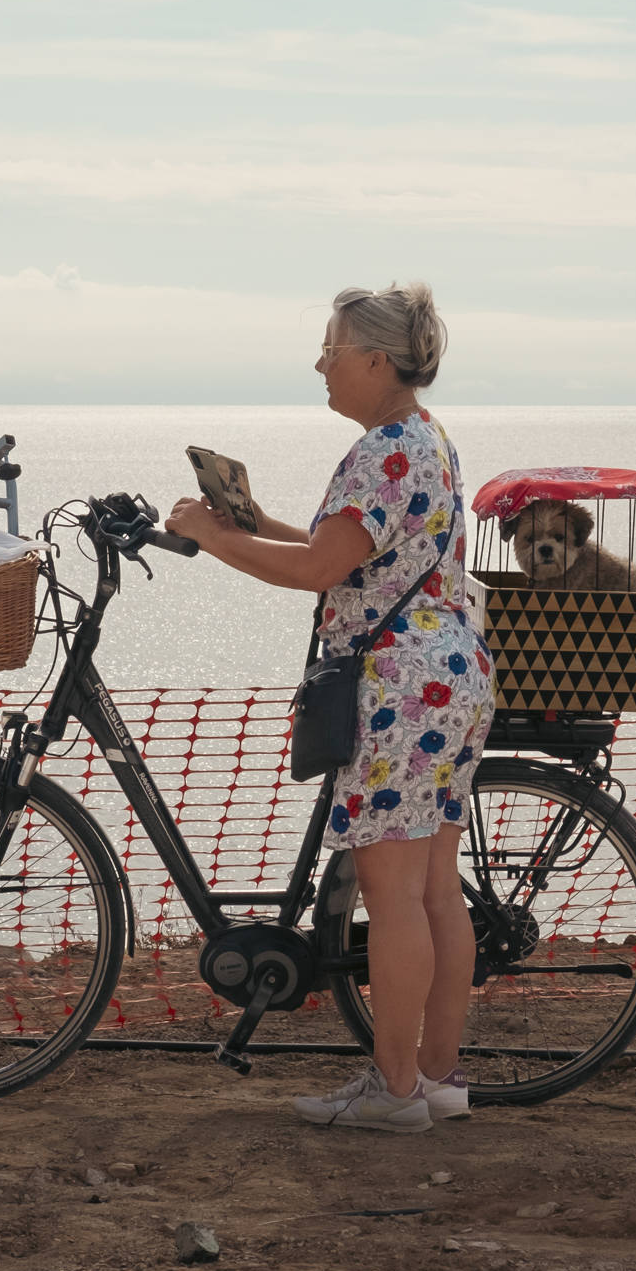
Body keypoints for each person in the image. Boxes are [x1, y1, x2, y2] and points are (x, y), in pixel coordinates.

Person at [165, 282, 493, 1133]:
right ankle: (439, 1079)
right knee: (433, 895)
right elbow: (338, 551)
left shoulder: (383, 450)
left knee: (393, 900)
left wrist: (213, 538)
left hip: (398, 686)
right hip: (450, 673)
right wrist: (246, 519)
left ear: (377, 360)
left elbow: (315, 574)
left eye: (332, 349)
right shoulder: (426, 440)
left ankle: (393, 1097)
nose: (320, 364)